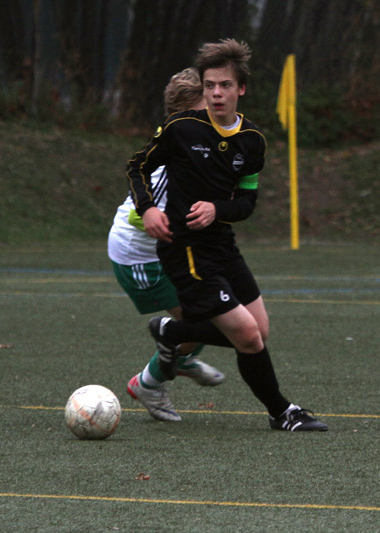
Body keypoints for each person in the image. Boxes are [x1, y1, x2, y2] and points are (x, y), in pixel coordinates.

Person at [125, 39, 327, 432]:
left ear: (241, 88)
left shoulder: (252, 140)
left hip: (222, 246)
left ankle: (171, 332)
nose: (216, 93)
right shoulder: (181, 128)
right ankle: (282, 412)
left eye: (225, 85)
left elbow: (247, 202)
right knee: (248, 336)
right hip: (184, 250)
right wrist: (147, 208)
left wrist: (218, 209)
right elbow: (137, 166)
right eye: (210, 86)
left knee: (259, 332)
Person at [109, 68, 226, 423]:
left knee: (212, 313)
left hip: (165, 252)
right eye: (204, 110)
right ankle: (151, 381)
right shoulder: (171, 160)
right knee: (202, 318)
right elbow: (138, 216)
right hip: (139, 258)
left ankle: (179, 357)